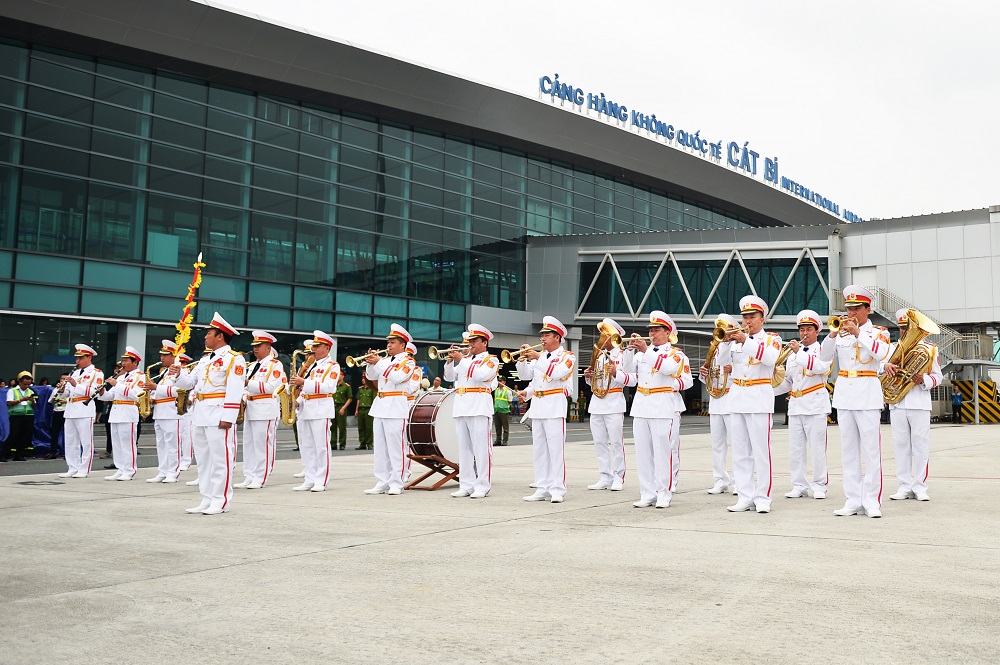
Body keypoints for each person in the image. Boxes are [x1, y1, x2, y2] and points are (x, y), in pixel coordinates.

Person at [820, 285, 892, 518]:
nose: (851, 313)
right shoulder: (840, 333)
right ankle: (852, 499)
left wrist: (859, 334)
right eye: (848, 308)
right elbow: (823, 356)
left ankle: (872, 501)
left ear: (867, 309)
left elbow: (882, 354)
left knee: (871, 450)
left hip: (868, 394)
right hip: (844, 394)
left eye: (856, 308)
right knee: (848, 451)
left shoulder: (879, 332)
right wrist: (832, 334)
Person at [170, 312, 246, 515]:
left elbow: (235, 389)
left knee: (221, 459)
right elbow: (189, 383)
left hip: (219, 413)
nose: (205, 337)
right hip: (201, 413)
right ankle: (206, 497)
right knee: (203, 460)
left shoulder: (234, 359)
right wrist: (178, 374)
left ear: (220, 335)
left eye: (209, 333)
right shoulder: (204, 360)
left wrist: (228, 417)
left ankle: (221, 500)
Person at [619, 311, 690, 509]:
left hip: (662, 405)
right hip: (641, 404)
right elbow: (631, 377)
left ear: (667, 332)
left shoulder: (676, 354)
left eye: (657, 330)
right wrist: (628, 353)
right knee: (643, 453)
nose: (652, 334)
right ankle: (647, 493)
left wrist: (646, 351)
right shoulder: (642, 354)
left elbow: (667, 368)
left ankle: (664, 493)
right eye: (650, 330)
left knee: (662, 451)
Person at [725, 296, 782, 514]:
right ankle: (744, 496)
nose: (748, 321)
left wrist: (744, 341)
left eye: (752, 317)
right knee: (740, 451)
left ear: (762, 319)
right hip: (738, 396)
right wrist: (725, 342)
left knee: (761, 451)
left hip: (759, 398)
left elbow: (770, 359)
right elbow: (721, 363)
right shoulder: (736, 340)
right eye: (745, 317)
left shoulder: (772, 339)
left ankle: (763, 497)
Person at [773, 310, 832, 500]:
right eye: (801, 330)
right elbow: (788, 382)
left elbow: (821, 368)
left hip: (815, 404)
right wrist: (766, 389)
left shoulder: (823, 350)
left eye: (808, 329)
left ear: (817, 331)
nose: (804, 333)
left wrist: (799, 352)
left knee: (817, 448)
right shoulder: (791, 356)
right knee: (796, 449)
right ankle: (799, 485)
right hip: (796, 405)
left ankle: (820, 485)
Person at [885, 308, 942, 502]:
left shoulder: (930, 350)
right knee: (901, 446)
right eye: (901, 328)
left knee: (920, 446)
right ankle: (903, 486)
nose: (904, 332)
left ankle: (920, 486)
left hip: (919, 403)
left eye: (907, 328)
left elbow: (938, 377)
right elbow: (879, 373)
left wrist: (923, 379)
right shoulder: (891, 349)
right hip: (898, 403)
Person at [516, 316, 576, 504]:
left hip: (555, 406)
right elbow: (527, 377)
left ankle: (558, 488)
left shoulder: (567, 357)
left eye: (547, 335)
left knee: (555, 450)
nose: (542, 338)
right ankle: (542, 487)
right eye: (542, 335)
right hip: (539, 407)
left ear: (557, 337)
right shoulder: (539, 357)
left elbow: (557, 374)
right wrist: (522, 360)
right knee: (540, 450)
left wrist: (538, 358)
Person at [445, 324, 500, 499]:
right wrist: (449, 362)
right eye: (469, 341)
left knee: (481, 449)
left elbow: (481, 376)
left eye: (474, 341)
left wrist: (462, 360)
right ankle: (466, 484)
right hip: (461, 406)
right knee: (464, 449)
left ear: (484, 342)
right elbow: (449, 377)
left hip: (479, 406)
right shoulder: (466, 360)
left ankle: (483, 485)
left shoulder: (490, 360)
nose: (470, 344)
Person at [363, 324, 415, 495]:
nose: (389, 345)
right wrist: (370, 364)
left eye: (393, 342)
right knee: (380, 448)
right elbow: (371, 378)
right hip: (381, 405)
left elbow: (397, 377)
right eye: (389, 342)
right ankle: (382, 480)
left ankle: (396, 481)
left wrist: (378, 362)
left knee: (395, 447)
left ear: (402, 345)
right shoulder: (386, 361)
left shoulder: (408, 361)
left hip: (396, 405)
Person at [289, 330, 338, 492]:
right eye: (314, 346)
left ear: (327, 348)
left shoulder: (332, 366)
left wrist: (303, 382)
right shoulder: (312, 366)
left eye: (317, 346)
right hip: (306, 409)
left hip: (321, 409)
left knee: (321, 447)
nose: (313, 349)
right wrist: (297, 401)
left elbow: (328, 388)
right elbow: (305, 389)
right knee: (307, 446)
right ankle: (309, 478)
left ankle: (321, 480)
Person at [235, 332, 286, 489]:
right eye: (254, 346)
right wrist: (243, 395)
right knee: (249, 444)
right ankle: (249, 475)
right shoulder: (252, 366)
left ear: (268, 347)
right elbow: (245, 388)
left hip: (265, 409)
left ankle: (261, 476)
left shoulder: (275, 365)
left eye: (258, 346)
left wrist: (247, 383)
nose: (255, 349)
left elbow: (272, 387)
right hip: (251, 408)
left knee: (262, 444)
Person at [583, 317, 628, 491]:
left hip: (614, 401)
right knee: (599, 442)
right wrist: (589, 376)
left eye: (605, 334)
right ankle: (605, 476)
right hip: (597, 402)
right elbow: (595, 383)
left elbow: (627, 378)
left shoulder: (622, 355)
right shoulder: (599, 356)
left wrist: (616, 372)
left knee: (616, 442)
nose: (602, 337)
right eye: (602, 334)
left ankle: (618, 477)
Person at [699, 313, 738, 495]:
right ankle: (720, 480)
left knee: (736, 443)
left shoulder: (737, 348)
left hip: (730, 397)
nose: (724, 332)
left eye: (727, 328)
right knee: (717, 444)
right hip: (716, 399)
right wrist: (704, 372)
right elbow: (708, 375)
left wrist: (734, 369)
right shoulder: (714, 348)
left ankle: (739, 481)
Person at [55, 345, 103, 478]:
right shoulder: (75, 373)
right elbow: (68, 393)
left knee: (86, 441)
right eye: (77, 358)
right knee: (70, 440)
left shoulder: (96, 373)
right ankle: (72, 467)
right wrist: (62, 389)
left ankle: (84, 469)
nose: (78, 361)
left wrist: (76, 385)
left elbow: (94, 392)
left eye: (81, 358)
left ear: (89, 357)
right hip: (71, 409)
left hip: (85, 408)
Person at [141, 340, 185, 483]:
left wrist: (155, 388)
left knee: (172, 444)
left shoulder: (180, 372)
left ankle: (173, 472)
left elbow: (178, 391)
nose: (162, 358)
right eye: (161, 355)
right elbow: (160, 391)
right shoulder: (164, 372)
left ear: (174, 356)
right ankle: (163, 471)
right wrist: (151, 398)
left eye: (165, 355)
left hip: (172, 411)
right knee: (161, 444)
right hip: (160, 411)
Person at [98, 348, 144, 480]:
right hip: (116, 412)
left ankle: (130, 470)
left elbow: (135, 394)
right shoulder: (122, 377)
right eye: (122, 361)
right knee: (116, 443)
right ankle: (120, 468)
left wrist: (116, 384)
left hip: (128, 412)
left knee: (127, 443)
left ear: (135, 362)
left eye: (126, 361)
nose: (122, 364)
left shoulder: (140, 376)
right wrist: (102, 392)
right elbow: (111, 395)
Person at [4, 371, 38, 461]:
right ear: (20, 382)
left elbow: (34, 406)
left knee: (25, 435)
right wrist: (21, 399)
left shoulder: (31, 391)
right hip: (16, 415)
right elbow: (9, 403)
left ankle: (19, 455)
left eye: (29, 384)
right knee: (13, 435)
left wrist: (32, 401)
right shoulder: (12, 391)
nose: (27, 386)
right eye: (25, 384)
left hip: (28, 415)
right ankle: (4, 454)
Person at [46, 372, 71, 459]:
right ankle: (53, 452)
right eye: (61, 379)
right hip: (57, 412)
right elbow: (50, 401)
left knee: (67, 434)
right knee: (54, 433)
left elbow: (74, 400)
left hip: (66, 412)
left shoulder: (71, 389)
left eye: (65, 379)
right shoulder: (55, 389)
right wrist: (55, 400)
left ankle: (67, 453)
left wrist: (66, 401)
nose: (63, 380)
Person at [332, 372, 353, 451]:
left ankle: (342, 444)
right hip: (333, 406)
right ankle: (333, 443)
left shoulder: (346, 386)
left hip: (341, 406)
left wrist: (343, 408)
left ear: (343, 376)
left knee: (342, 427)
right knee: (332, 427)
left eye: (340, 375)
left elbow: (350, 398)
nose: (338, 376)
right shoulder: (333, 386)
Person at [354, 378, 376, 450]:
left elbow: (374, 400)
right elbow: (358, 400)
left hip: (368, 409)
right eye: (362, 378)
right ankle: (362, 443)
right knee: (361, 428)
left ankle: (369, 443)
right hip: (361, 409)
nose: (362, 380)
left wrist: (373, 411)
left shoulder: (372, 389)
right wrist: (357, 410)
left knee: (369, 427)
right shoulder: (361, 389)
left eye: (364, 378)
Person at [493, 376, 514, 447]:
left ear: (504, 382)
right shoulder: (496, 390)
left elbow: (510, 401)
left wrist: (507, 407)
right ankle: (498, 440)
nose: (499, 382)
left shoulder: (508, 391)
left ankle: (505, 440)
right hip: (497, 410)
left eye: (501, 381)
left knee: (505, 427)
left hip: (504, 411)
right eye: (499, 381)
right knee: (497, 427)